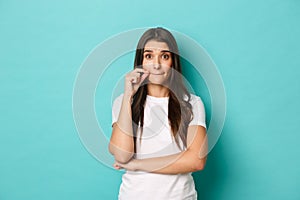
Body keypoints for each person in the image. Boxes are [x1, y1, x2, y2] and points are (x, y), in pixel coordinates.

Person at [108, 27, 207, 200]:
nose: (156, 64)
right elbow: (122, 154)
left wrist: (137, 165)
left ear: (173, 62)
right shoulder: (122, 103)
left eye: (165, 56)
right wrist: (128, 97)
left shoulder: (192, 103)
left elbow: (196, 160)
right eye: (149, 56)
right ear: (140, 62)